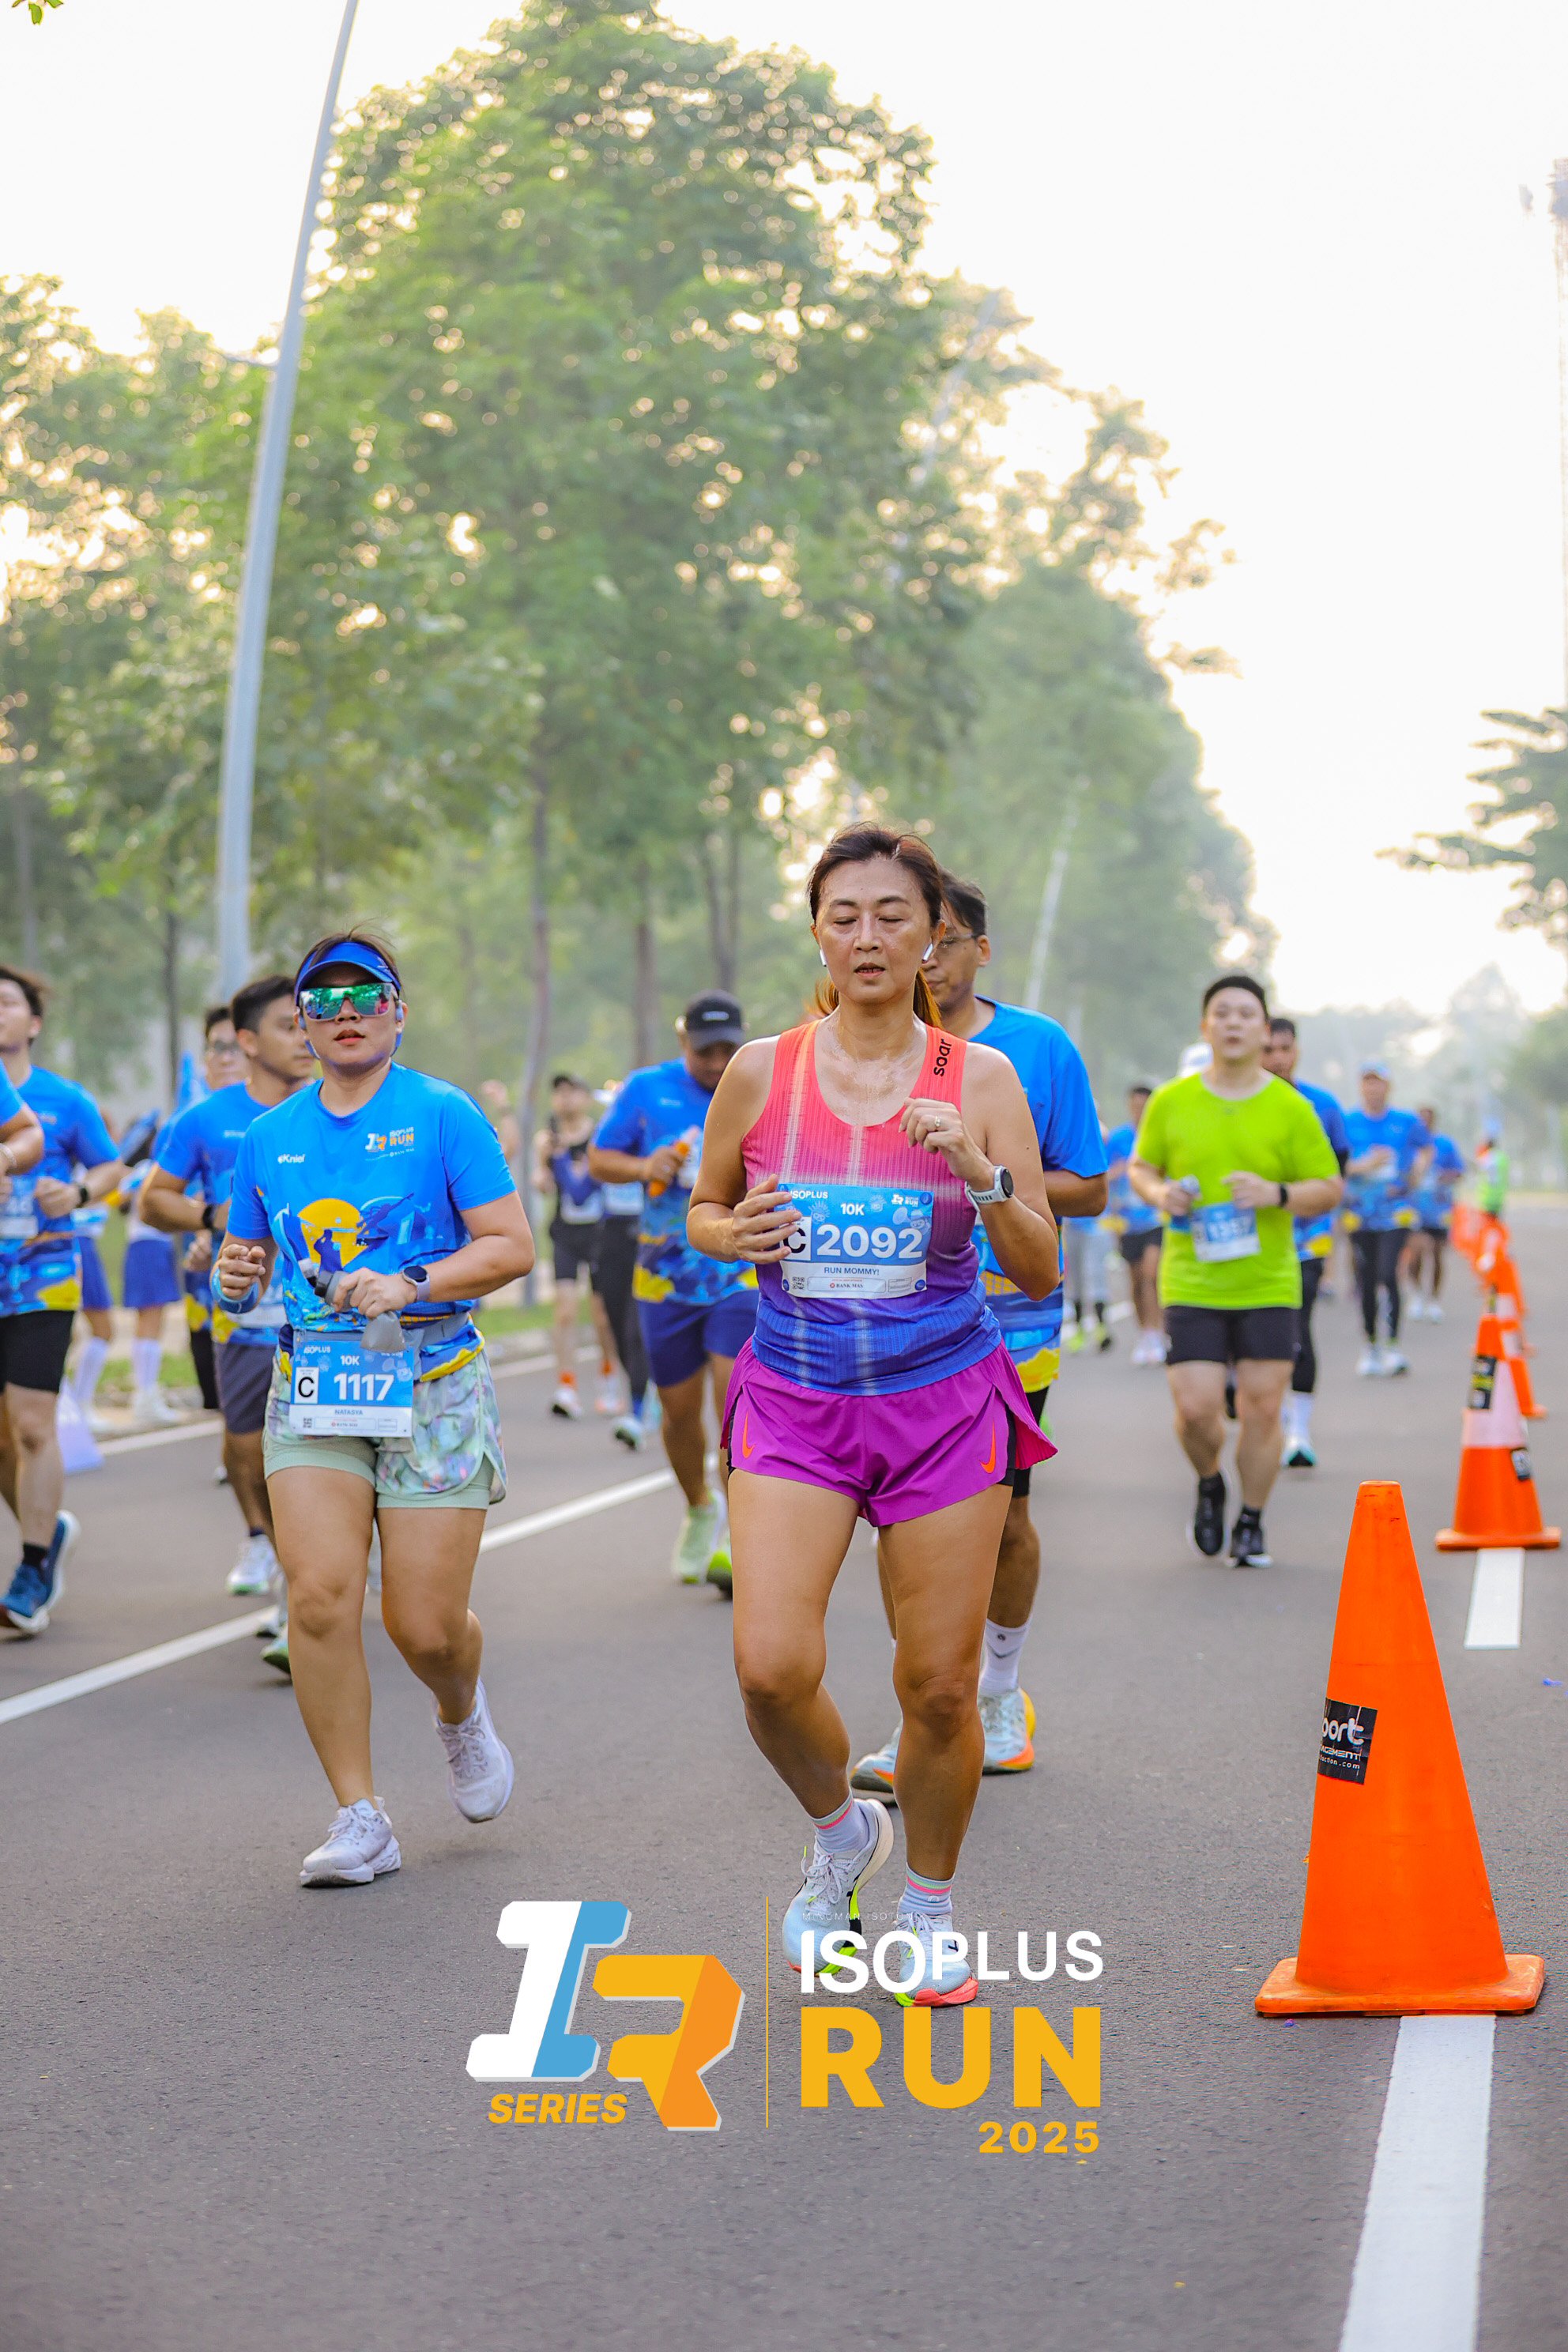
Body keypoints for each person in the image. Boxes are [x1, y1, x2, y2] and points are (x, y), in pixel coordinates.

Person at [689, 824, 1059, 2007]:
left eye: (893, 915)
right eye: (843, 914)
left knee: (940, 1687)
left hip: (942, 1403)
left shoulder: (980, 1080)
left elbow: (1039, 1265)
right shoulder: (763, 1071)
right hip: (795, 1400)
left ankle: (931, 1910)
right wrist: (732, 1232)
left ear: (934, 937)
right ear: (816, 932)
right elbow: (705, 1207)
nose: (867, 936)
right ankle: (842, 1835)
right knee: (768, 1669)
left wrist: (981, 1176)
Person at [213, 929, 534, 1887]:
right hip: (317, 1385)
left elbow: (510, 1246)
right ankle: (361, 1816)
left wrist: (412, 1281)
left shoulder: (441, 1112)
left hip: (433, 1381)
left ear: (398, 1011)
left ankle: (459, 1711)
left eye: (366, 995)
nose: (345, 1013)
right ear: (302, 1025)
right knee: (317, 1598)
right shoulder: (268, 1138)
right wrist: (235, 1273)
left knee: (423, 1626)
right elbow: (246, 1259)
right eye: (323, 1000)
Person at [850, 872, 1104, 1794]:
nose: (925, 958)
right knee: (900, 1522)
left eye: (944, 940)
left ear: (979, 950)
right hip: (895, 1315)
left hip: (1008, 1314)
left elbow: (1088, 1186)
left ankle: (996, 1688)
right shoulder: (860, 1043)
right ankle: (924, 1707)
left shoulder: (1033, 1050)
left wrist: (989, 1170)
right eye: (916, 937)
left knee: (1003, 1517)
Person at [1129, 975, 1341, 1568]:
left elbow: (1328, 1187)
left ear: (1264, 1030)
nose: (1233, 1023)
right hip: (1192, 1282)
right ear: (1205, 1027)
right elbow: (1141, 1168)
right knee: (1197, 1410)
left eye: (1246, 1014)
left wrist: (1277, 1194)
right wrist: (1160, 1193)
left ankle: (1251, 1519)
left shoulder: (1290, 1108)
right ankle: (1209, 1481)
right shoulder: (1172, 1101)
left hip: (1267, 1283)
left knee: (1263, 1409)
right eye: (1221, 1013)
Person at [141, 974, 317, 1656]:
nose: (304, 1037)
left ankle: (306, 1592)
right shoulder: (207, 1119)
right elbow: (153, 1200)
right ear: (246, 1040)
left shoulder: (339, 1109)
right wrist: (211, 1217)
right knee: (249, 1454)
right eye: (286, 1026)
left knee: (322, 1455)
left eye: (304, 1022)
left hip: (329, 1325)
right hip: (244, 1321)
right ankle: (290, 1563)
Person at [588, 992, 757, 1588]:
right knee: (680, 1414)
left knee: (734, 1401)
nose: (716, 1062)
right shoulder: (645, 1089)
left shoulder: (757, 1081)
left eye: (727, 1049)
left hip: (738, 1271)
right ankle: (699, 1507)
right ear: (683, 1042)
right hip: (663, 1275)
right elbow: (598, 1159)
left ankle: (740, 1535)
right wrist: (644, 1167)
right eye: (705, 1051)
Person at [0, 964, 121, 1634]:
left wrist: (73, 1193)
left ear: (34, 1022)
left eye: (7, 1002)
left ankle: (34, 1563)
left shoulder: (64, 1100)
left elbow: (109, 1167)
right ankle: (50, 1528)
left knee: (31, 1425)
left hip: (42, 1275)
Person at [1261, 1018, 1349, 1468]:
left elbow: (1338, 1170)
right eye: (1269, 1049)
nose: (1278, 1058)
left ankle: (1298, 1430)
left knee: (1298, 1325)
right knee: (1258, 1333)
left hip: (1306, 1240)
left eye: (1285, 1048)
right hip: (1252, 1241)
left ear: (1296, 1051)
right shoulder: (1241, 1103)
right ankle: (1267, 1416)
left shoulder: (1322, 1105)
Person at [532, 1072, 619, 1421]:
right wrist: (543, 1170)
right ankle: (566, 1386)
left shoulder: (600, 1136)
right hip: (565, 1235)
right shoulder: (547, 1140)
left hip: (600, 1235)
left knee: (602, 1315)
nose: (565, 1099)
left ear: (584, 1097)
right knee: (565, 1311)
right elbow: (541, 1182)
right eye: (559, 1093)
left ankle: (608, 1379)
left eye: (572, 1092)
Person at [1342, 1060, 1425, 1378]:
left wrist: (1417, 1172)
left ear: (1388, 1086)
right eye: (1367, 1081)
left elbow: (1426, 1149)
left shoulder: (1406, 1121)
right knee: (1366, 1279)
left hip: (1395, 1212)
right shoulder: (1347, 1121)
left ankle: (1392, 1346)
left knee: (1388, 1274)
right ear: (1360, 1086)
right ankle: (1371, 1346)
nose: (1372, 1087)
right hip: (1359, 1213)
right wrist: (1366, 1165)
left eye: (1378, 1081)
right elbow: (1334, 1164)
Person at [591, 1089, 653, 1450]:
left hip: (645, 1239)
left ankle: (638, 1408)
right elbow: (581, 1190)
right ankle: (644, 1390)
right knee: (614, 1322)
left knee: (635, 1327)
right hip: (611, 1240)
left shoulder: (651, 1143)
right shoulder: (601, 1150)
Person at [1106, 1086, 1163, 1363]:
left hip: (1156, 1218)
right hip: (1127, 1222)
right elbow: (1102, 1176)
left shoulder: (1160, 1133)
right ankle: (1145, 1334)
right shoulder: (1118, 1138)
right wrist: (1117, 1171)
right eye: (1135, 1106)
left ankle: (1157, 1333)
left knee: (1152, 1275)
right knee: (1137, 1280)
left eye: (1144, 1106)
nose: (1139, 1111)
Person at [1404, 1104, 1464, 1322]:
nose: (1424, 1124)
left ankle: (1434, 1300)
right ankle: (1416, 1294)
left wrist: (1443, 1176)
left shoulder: (1445, 1144)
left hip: (1439, 1210)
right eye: (1420, 1119)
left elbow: (1459, 1172)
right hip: (1413, 1209)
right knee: (1416, 1253)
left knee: (1437, 1255)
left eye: (1427, 1119)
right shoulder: (1408, 1146)